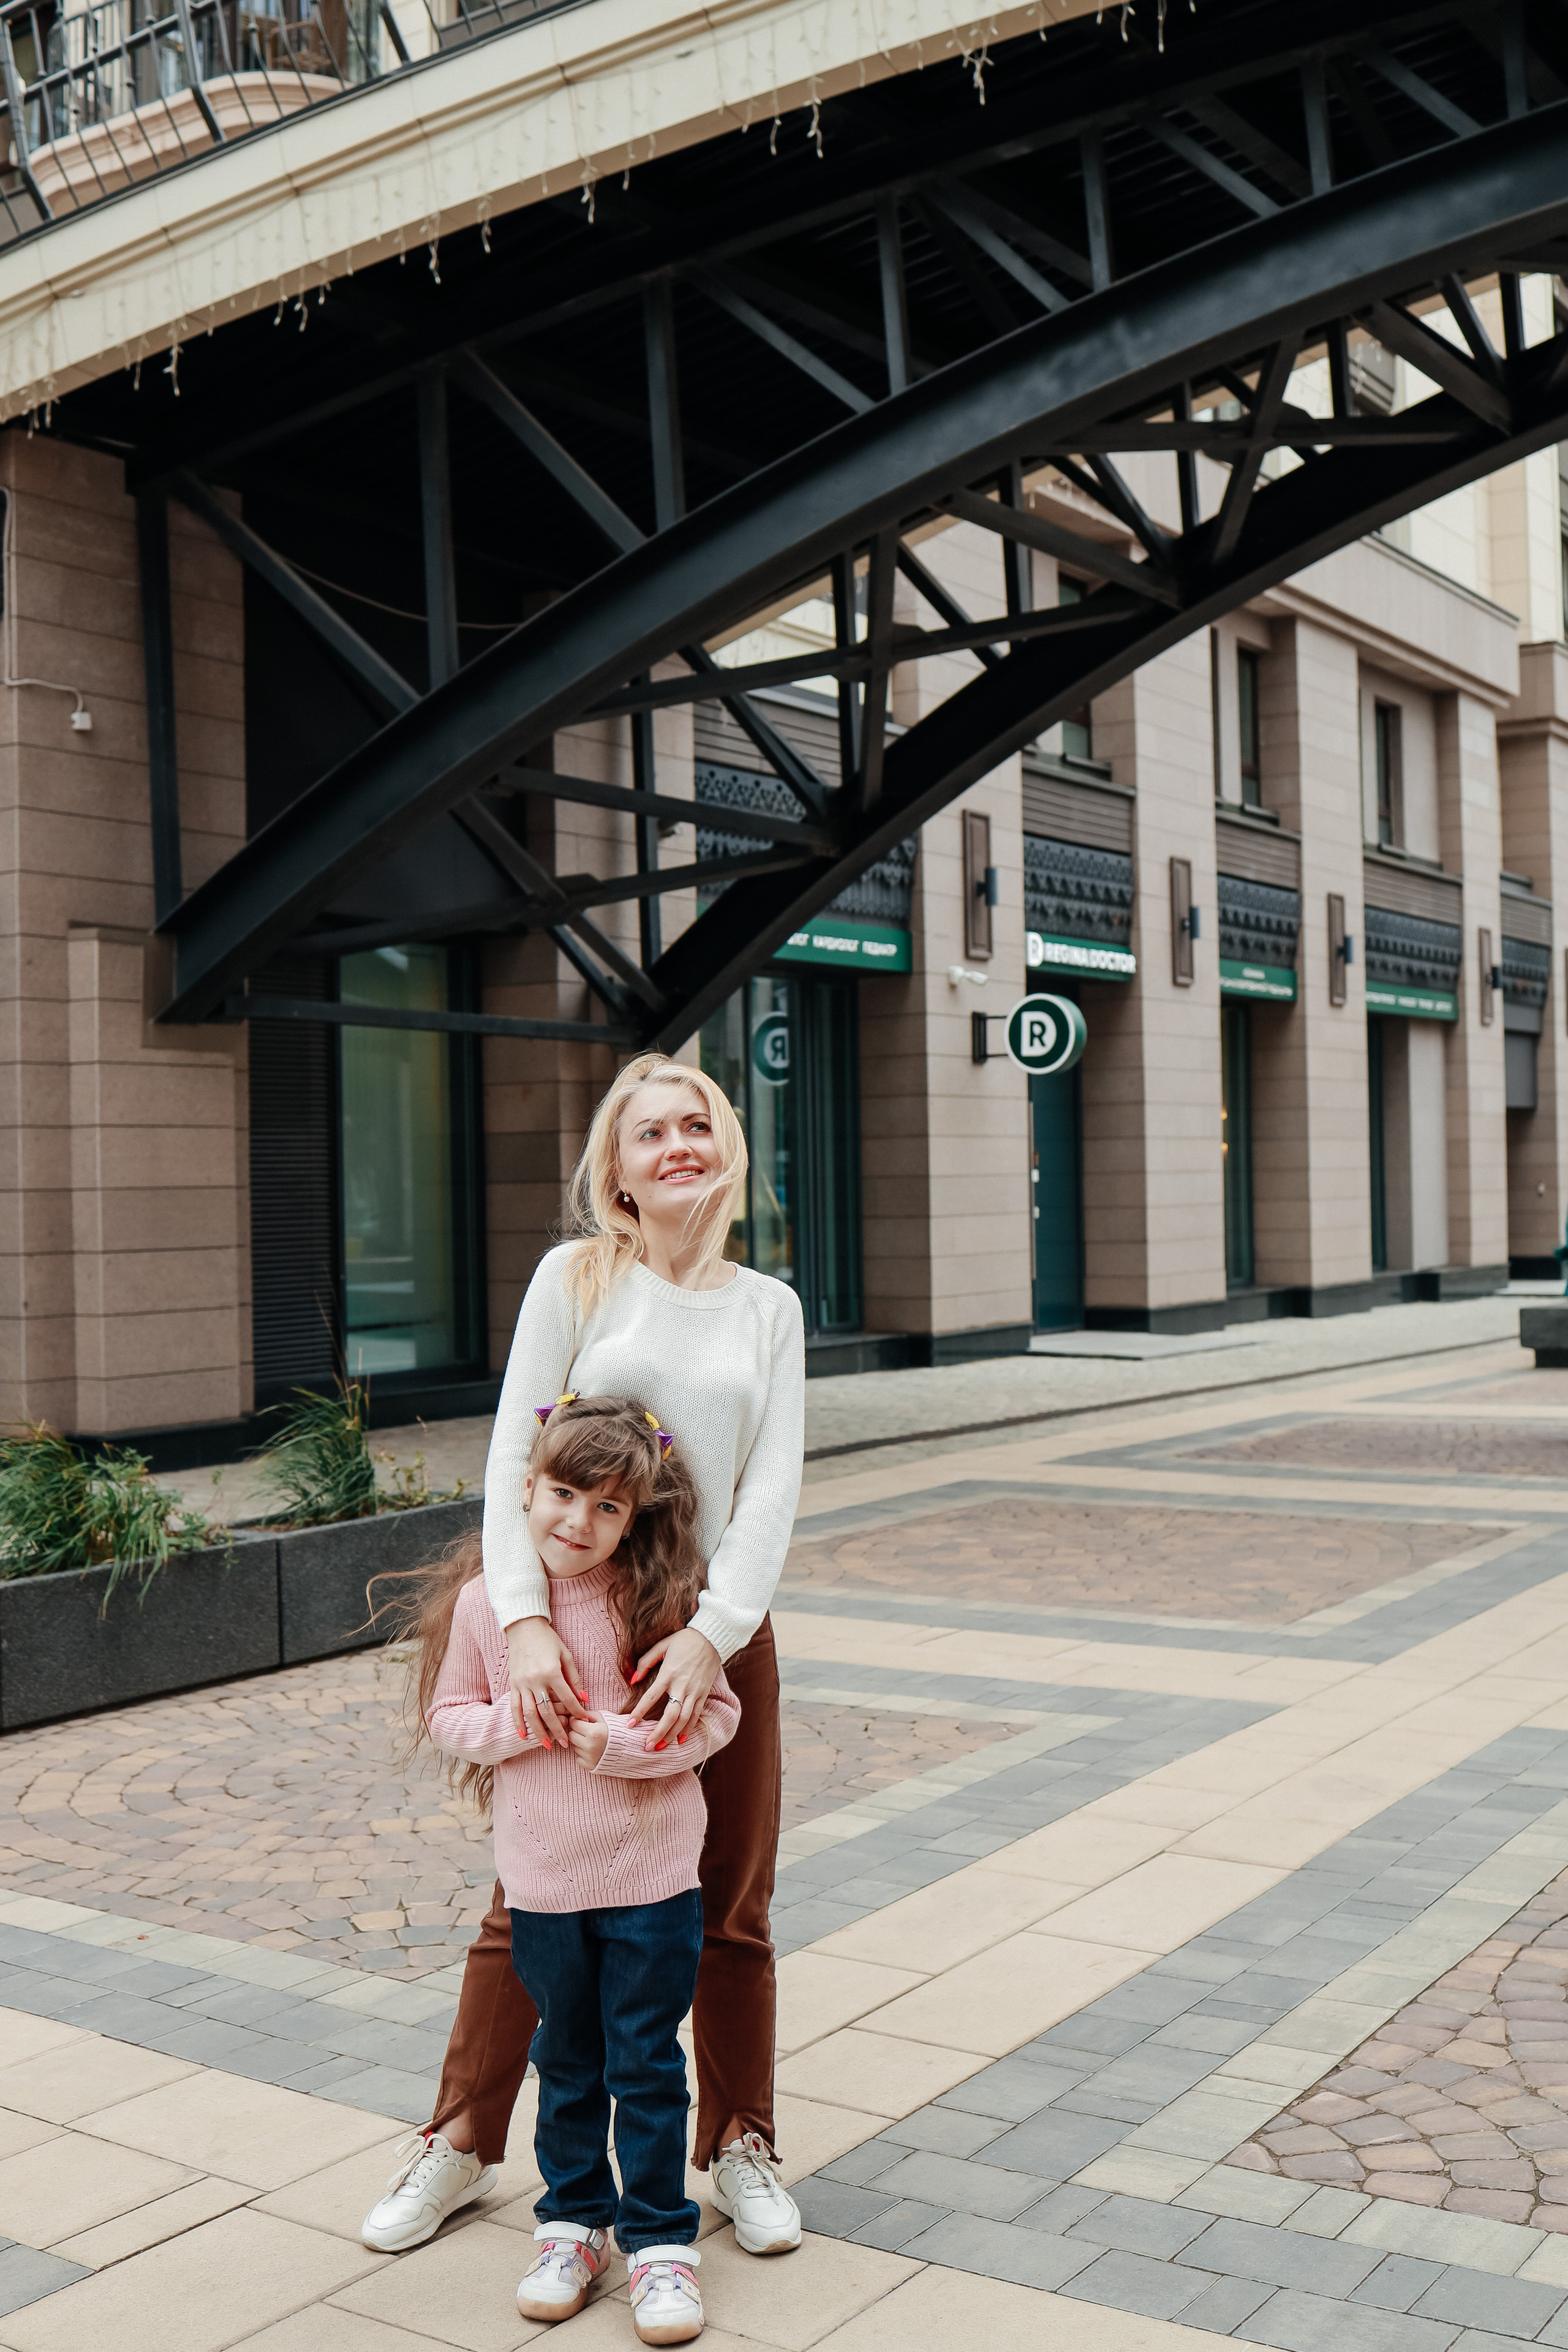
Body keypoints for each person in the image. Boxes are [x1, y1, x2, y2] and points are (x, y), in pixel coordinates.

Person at [363, 1053, 805, 2264]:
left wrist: (713, 1639)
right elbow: (518, 1452)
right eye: (647, 1131)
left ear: (724, 1150)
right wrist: (519, 1621)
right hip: (571, 1629)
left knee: (727, 1899)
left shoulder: (767, 1308)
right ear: (614, 1169)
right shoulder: (576, 1280)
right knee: (536, 1898)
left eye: (695, 1124)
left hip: (710, 1638)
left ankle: (738, 2144)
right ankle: (459, 2139)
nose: (675, 1145)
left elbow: (769, 1489)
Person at [405, 1394, 738, 2341]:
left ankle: (662, 2242)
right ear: (525, 1486)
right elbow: (450, 1717)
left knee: (646, 2060)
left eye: (606, 1509)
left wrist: (627, 1747)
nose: (577, 1524)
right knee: (567, 2055)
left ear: (635, 1516)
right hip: (547, 1883)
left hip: (653, 1877)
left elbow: (717, 1717)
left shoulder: (660, 1596)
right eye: (561, 1494)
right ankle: (572, 2224)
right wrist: (523, 1724)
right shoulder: (492, 1606)